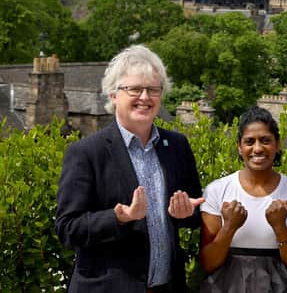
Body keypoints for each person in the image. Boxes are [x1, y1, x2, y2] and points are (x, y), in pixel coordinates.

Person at [56, 44, 204, 293]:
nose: (145, 97)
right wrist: (118, 217)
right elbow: (68, 228)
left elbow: (195, 211)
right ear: (114, 95)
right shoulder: (86, 153)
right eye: (134, 89)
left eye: (153, 90)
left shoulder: (177, 146)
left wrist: (186, 213)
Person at [199, 106, 287, 293]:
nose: (257, 148)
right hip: (224, 286)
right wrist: (229, 227)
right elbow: (207, 263)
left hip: (279, 285)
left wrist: (280, 227)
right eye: (249, 141)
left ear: (277, 144)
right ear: (239, 147)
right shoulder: (216, 190)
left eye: (265, 140)